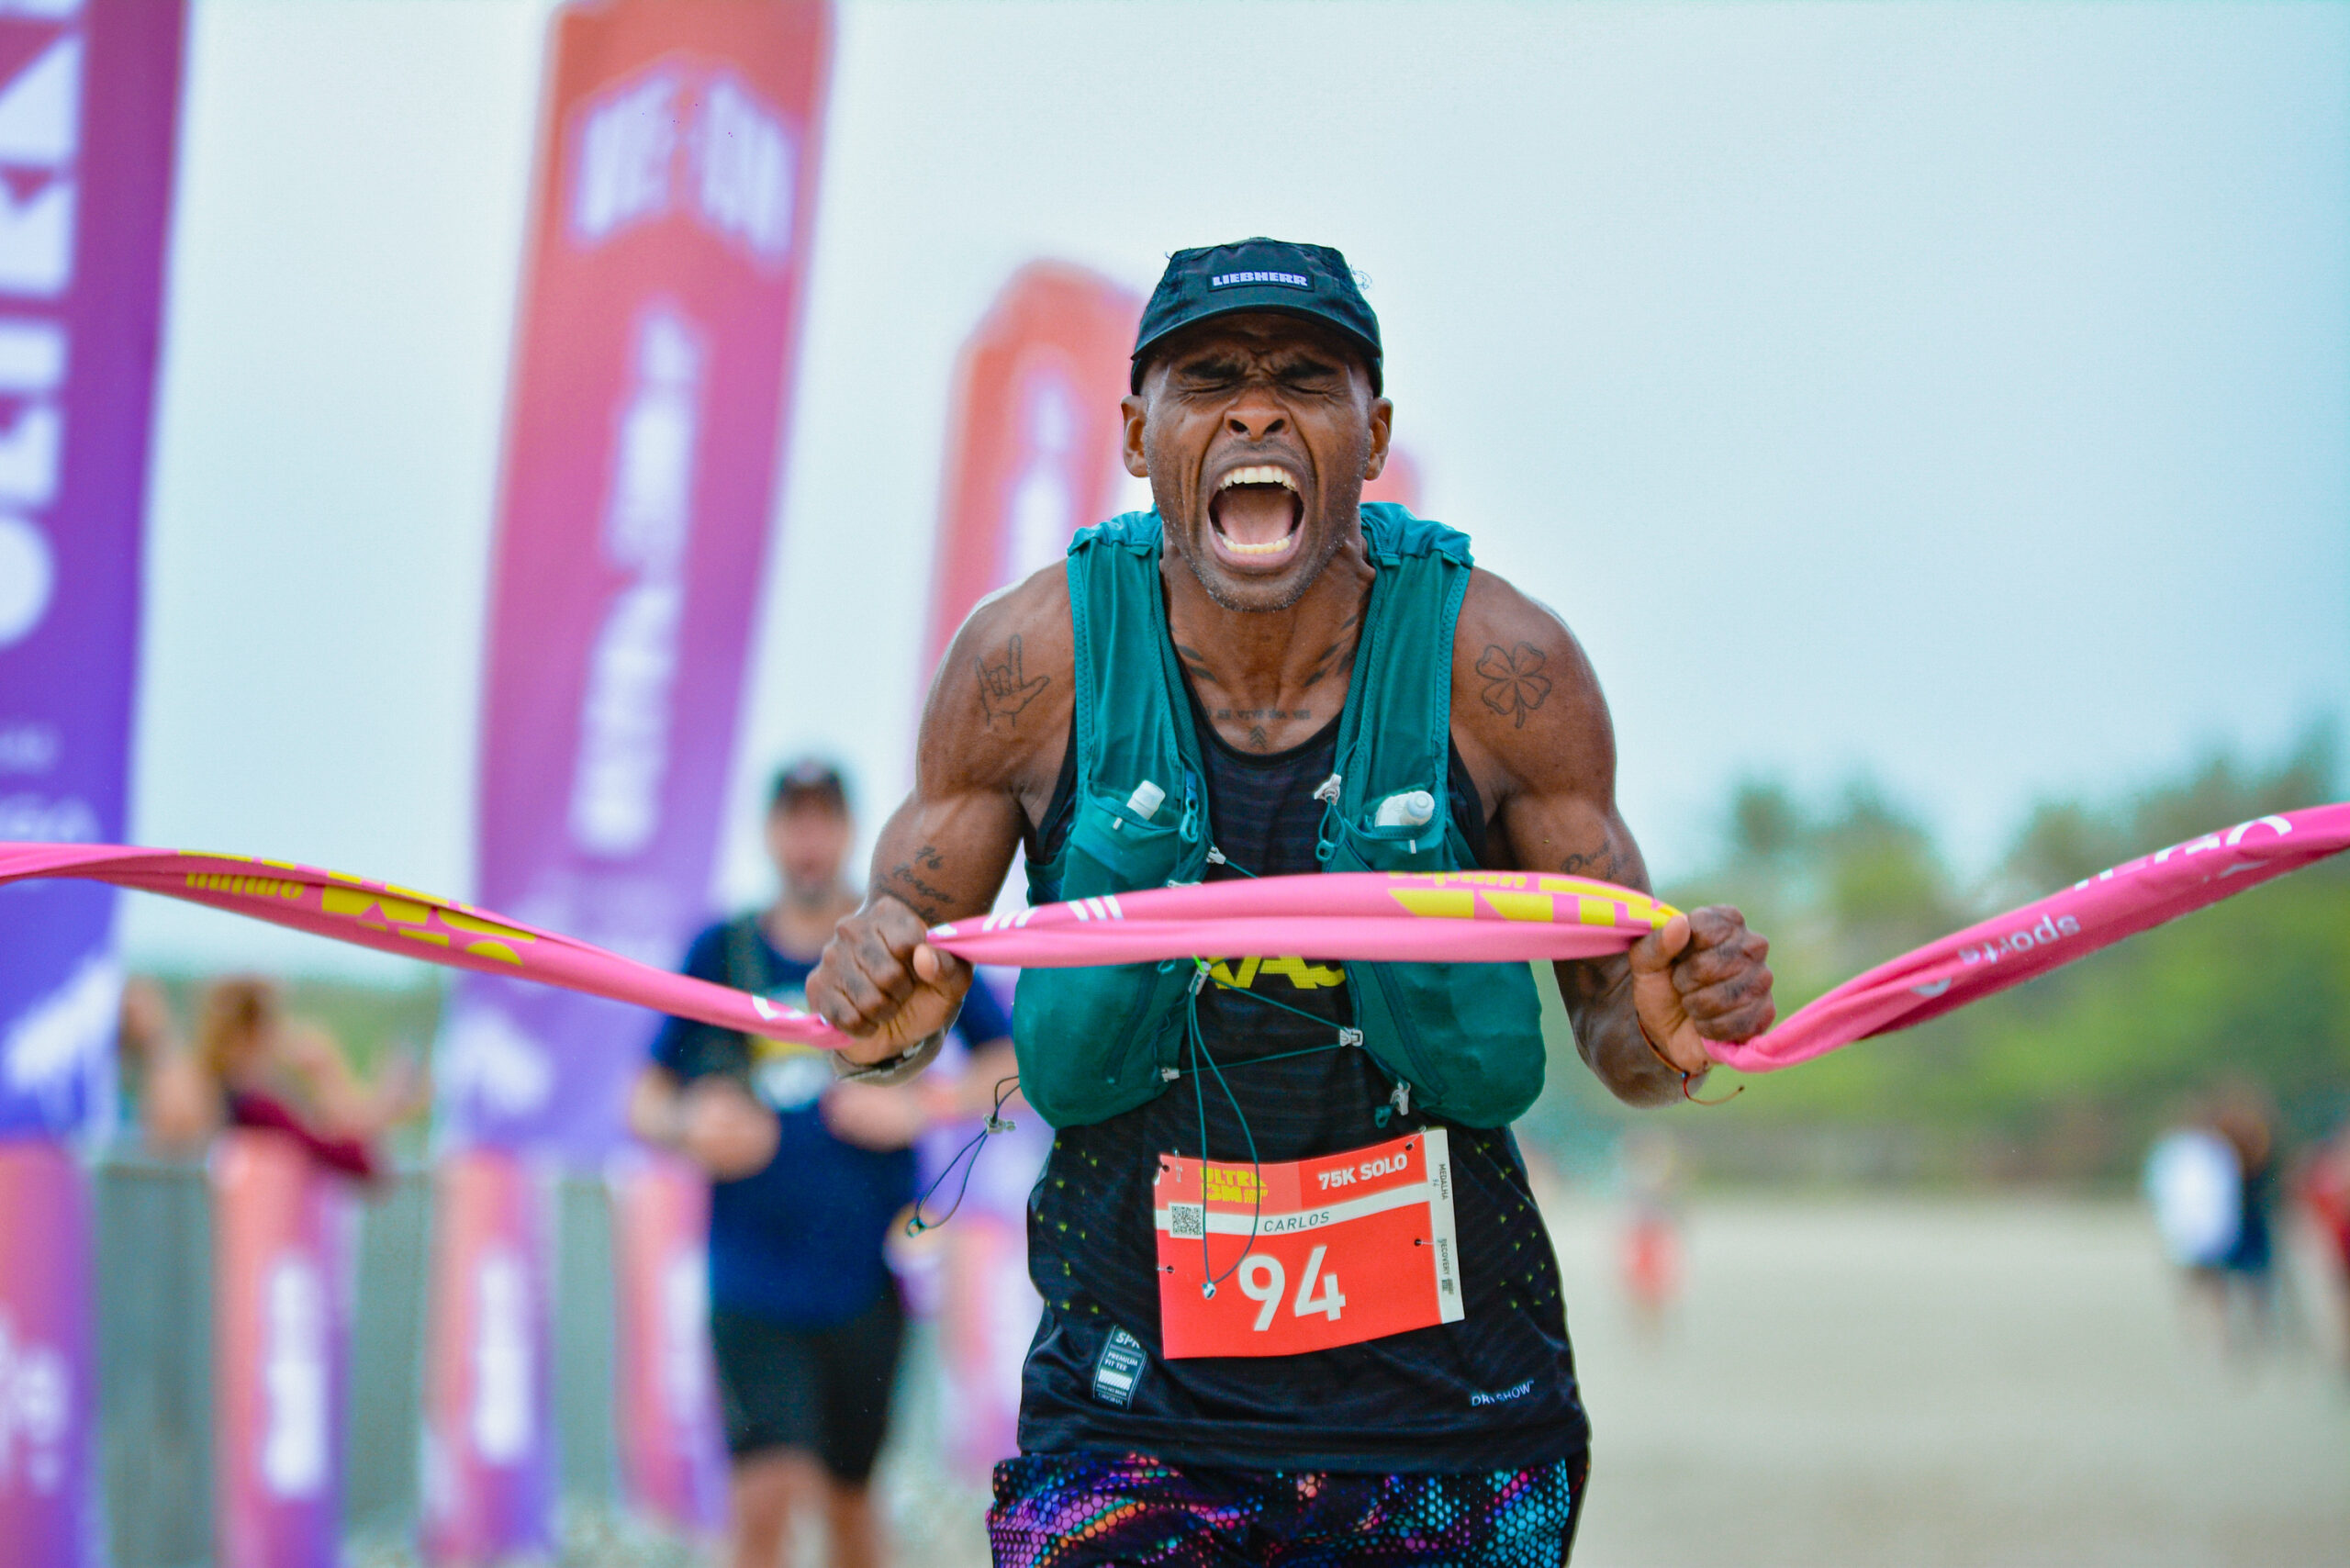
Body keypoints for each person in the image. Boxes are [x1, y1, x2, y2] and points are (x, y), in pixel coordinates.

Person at [806, 239, 1775, 1566]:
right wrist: (878, 1005)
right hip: (1130, 1407)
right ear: (1141, 434)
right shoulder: (1029, 664)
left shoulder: (1501, 667)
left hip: (1452, 1417)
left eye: (1305, 381)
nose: (1257, 410)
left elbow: (1629, 1041)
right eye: (1211, 379)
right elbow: (894, 1017)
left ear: (1370, 437)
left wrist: (1678, 1025)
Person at [631, 759, 1014, 1568]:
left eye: (824, 820)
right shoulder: (720, 949)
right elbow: (641, 1099)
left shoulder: (892, 948)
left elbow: (1014, 1066)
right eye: (793, 821)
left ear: (848, 832)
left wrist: (915, 1107)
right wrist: (690, 1124)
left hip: (867, 1284)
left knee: (850, 1511)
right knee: (765, 1503)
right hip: (751, 1284)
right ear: (770, 834)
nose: (809, 840)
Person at [140, 974, 425, 1177]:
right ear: (257, 1031)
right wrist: (328, 1074)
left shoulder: (214, 1090)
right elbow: (348, 1156)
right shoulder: (254, 1106)